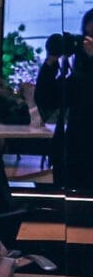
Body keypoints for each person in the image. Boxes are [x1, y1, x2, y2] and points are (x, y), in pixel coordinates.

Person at [35, 17, 93, 194]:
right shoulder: (79, 76)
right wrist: (52, 60)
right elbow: (46, 99)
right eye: (87, 35)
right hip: (77, 157)